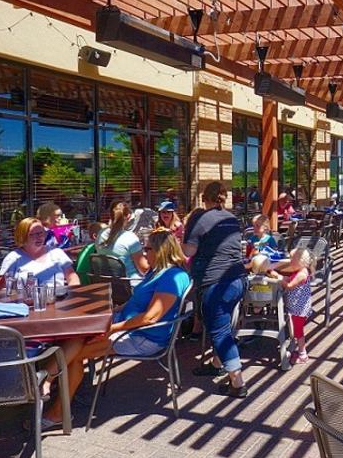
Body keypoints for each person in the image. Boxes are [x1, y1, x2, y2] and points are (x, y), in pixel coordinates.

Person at [43, 228, 191, 428]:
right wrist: (109, 314)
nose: (144, 253)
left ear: (161, 250)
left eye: (147, 248)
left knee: (73, 355)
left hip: (142, 337)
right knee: (75, 340)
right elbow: (133, 304)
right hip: (128, 329)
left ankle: (55, 403)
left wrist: (113, 328)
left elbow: (150, 317)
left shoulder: (172, 277)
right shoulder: (157, 272)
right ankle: (55, 390)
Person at [184, 181, 248, 398]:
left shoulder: (200, 218)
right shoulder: (231, 218)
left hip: (216, 282)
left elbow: (189, 249)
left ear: (204, 197)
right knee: (224, 325)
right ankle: (216, 363)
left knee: (220, 332)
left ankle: (237, 383)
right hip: (238, 279)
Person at [0, 217, 81, 290]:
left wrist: (73, 294)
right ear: (22, 237)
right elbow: (1, 289)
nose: (39, 237)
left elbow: (72, 277)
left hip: (58, 301)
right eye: (32, 234)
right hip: (27, 305)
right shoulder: (13, 258)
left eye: (41, 233)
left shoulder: (57, 253)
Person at [95, 201, 149, 285]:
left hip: (107, 287)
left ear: (110, 215)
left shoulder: (100, 234)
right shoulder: (130, 238)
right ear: (128, 216)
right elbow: (144, 270)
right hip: (132, 286)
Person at [277, 247, 315, 365]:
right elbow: (288, 279)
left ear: (300, 261)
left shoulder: (302, 274)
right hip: (295, 306)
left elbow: (289, 286)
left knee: (298, 331)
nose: (290, 261)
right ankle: (297, 349)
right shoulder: (298, 272)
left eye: (292, 259)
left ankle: (303, 354)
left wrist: (279, 280)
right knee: (294, 329)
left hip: (299, 308)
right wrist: (278, 275)